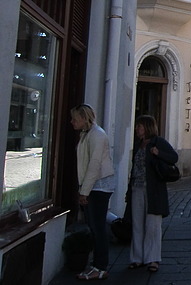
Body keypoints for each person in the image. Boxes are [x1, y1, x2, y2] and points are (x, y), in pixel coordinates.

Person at [128, 115, 179, 273]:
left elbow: (173, 157)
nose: (137, 129)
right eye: (137, 126)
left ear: (148, 127)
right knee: (137, 224)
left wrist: (158, 153)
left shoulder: (158, 142)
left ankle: (153, 259)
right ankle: (137, 258)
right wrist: (128, 190)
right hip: (137, 188)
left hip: (154, 190)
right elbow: (134, 169)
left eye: (140, 126)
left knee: (153, 226)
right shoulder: (138, 145)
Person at [70, 104, 115, 280]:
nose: (72, 122)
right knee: (95, 227)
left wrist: (84, 191)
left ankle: (100, 267)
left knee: (98, 227)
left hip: (99, 186)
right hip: (93, 186)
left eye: (75, 118)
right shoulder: (87, 134)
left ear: (84, 118)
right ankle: (97, 264)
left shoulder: (97, 135)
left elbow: (94, 165)